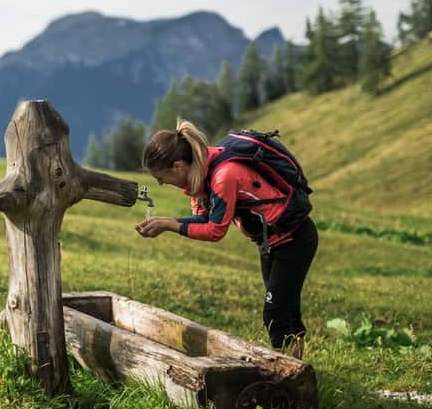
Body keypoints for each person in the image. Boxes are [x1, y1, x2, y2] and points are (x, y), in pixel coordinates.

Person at [134, 119, 317, 358]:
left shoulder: (223, 176)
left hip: (294, 241)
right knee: (286, 310)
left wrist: (169, 225)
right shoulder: (200, 178)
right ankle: (298, 369)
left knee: (274, 314)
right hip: (270, 244)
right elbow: (202, 220)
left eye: (161, 178)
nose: (162, 184)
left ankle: (284, 376)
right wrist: (166, 221)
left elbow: (215, 231)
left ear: (178, 166)